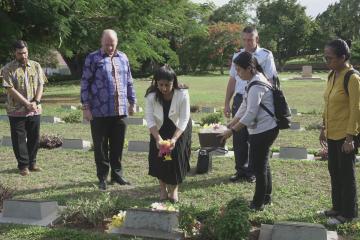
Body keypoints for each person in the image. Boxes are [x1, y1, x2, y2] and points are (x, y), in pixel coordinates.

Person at [220, 51, 279, 211]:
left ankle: (257, 203)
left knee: (258, 167)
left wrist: (232, 131)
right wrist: (230, 124)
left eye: (239, 70)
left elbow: (250, 114)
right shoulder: (253, 81)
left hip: (264, 130)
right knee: (263, 164)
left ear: (250, 68)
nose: (237, 74)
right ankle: (266, 198)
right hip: (263, 128)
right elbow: (244, 107)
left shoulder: (257, 83)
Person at [80, 29, 136, 190]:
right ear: (101, 42)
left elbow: (129, 81)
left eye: (112, 44)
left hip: (120, 111)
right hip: (99, 112)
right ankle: (102, 177)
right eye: (106, 44)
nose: (110, 48)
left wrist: (132, 102)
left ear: (116, 42)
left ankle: (117, 175)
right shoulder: (92, 58)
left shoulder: (123, 58)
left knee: (117, 146)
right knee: (101, 147)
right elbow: (85, 83)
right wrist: (85, 107)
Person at [224, 26, 277, 183]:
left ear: (257, 39)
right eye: (245, 40)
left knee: (254, 138)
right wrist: (227, 102)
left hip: (258, 98)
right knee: (239, 139)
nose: (247, 43)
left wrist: (263, 97)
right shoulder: (238, 55)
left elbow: (271, 79)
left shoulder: (266, 55)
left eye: (250, 39)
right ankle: (241, 170)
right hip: (241, 98)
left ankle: (253, 171)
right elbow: (232, 80)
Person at [319, 39, 359, 224]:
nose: (327, 61)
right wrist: (323, 127)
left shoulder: (352, 78)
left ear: (343, 57)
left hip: (346, 135)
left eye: (330, 58)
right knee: (334, 170)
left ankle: (349, 214)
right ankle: (337, 208)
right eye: (325, 57)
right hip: (332, 133)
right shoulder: (331, 75)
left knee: (346, 174)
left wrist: (350, 138)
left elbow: (356, 109)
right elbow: (328, 103)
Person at [145, 65, 192, 203]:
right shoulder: (151, 96)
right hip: (160, 128)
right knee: (161, 158)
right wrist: (158, 139)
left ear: (174, 82)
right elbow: (149, 118)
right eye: (161, 85)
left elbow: (184, 118)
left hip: (178, 128)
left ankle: (174, 189)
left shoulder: (182, 94)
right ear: (156, 82)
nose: (164, 88)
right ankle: (162, 188)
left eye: (168, 85)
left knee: (175, 157)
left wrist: (174, 139)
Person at [2, 40, 46, 176]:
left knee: (34, 137)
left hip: (34, 108)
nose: (23, 55)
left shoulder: (36, 66)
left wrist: (36, 101)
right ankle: (23, 166)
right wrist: (26, 103)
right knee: (19, 139)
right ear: (14, 53)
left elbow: (41, 84)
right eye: (20, 53)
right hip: (16, 110)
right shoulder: (7, 68)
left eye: (25, 52)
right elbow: (10, 89)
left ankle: (32, 163)